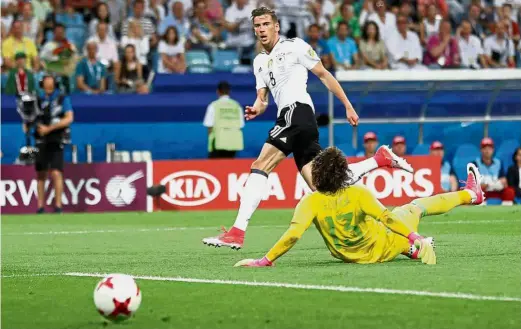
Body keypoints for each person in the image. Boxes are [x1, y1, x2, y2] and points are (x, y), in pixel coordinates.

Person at [202, 7, 412, 250]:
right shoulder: (259, 61)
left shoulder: (295, 46)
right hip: (292, 118)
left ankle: (237, 232)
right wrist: (257, 108)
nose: (261, 29)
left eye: (265, 24)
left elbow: (324, 74)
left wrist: (347, 105)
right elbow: (263, 98)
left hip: (297, 113)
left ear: (276, 26)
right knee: (324, 186)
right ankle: (378, 162)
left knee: (260, 166)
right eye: (257, 26)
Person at [234, 147, 485, 267]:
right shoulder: (358, 192)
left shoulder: (309, 201)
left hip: (349, 256)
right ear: (344, 172)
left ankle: (411, 249)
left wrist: (264, 261)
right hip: (383, 246)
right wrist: (414, 234)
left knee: (386, 228)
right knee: (416, 207)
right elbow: (387, 218)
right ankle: (470, 195)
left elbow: (293, 235)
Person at [26, 74, 74, 214]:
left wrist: (50, 129)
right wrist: (28, 124)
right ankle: (40, 206)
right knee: (41, 173)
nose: (48, 85)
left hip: (56, 137)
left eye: (50, 83)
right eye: (45, 83)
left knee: (56, 172)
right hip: (41, 138)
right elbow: (31, 117)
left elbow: (69, 118)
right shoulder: (38, 99)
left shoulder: (61, 98)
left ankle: (58, 206)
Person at [203, 81, 245, 158]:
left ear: (218, 91)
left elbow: (209, 125)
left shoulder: (213, 105)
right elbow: (241, 125)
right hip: (233, 142)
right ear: (229, 91)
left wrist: (210, 143)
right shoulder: (237, 105)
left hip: (218, 143)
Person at [473, 137, 515, 205]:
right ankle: (480, 212)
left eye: (489, 148)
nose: (487, 151)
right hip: (483, 190)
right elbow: (474, 184)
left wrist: (502, 182)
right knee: (477, 192)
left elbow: (503, 179)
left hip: (496, 189)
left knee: (509, 191)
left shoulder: (499, 162)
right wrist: (488, 184)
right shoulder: (475, 163)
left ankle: (507, 212)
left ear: (493, 150)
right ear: (481, 150)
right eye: (484, 148)